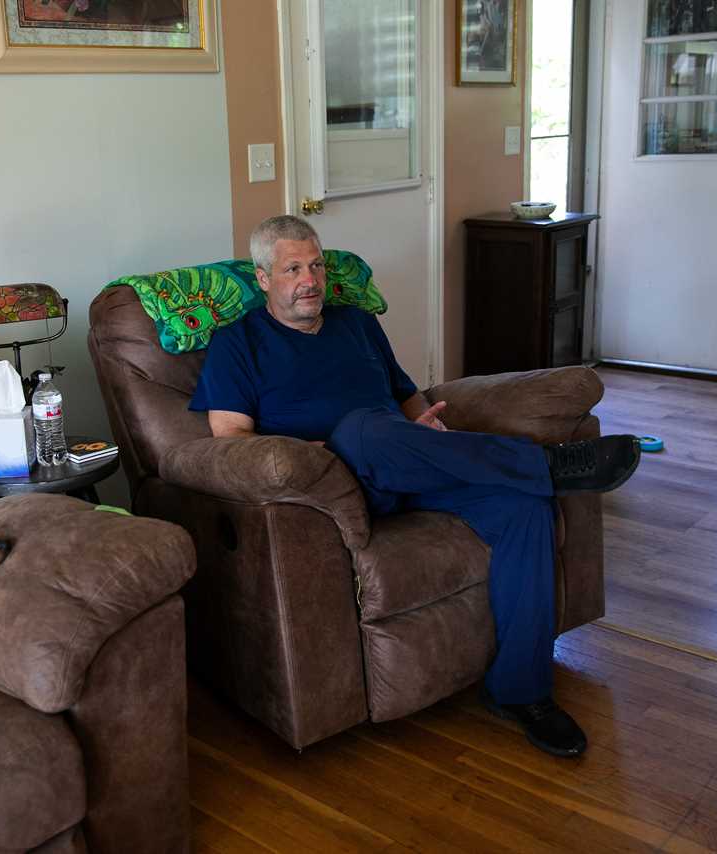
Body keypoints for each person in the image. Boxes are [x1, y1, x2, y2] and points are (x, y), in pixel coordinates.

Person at [188, 215, 640, 757]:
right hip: (342, 486)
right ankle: (546, 464)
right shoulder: (237, 344)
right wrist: (312, 455)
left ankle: (522, 691)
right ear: (263, 279)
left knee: (523, 507)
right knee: (361, 427)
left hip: (409, 464)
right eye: (291, 269)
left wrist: (428, 426)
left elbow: (407, 394)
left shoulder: (355, 322)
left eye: (316, 265)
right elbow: (230, 438)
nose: (309, 279)